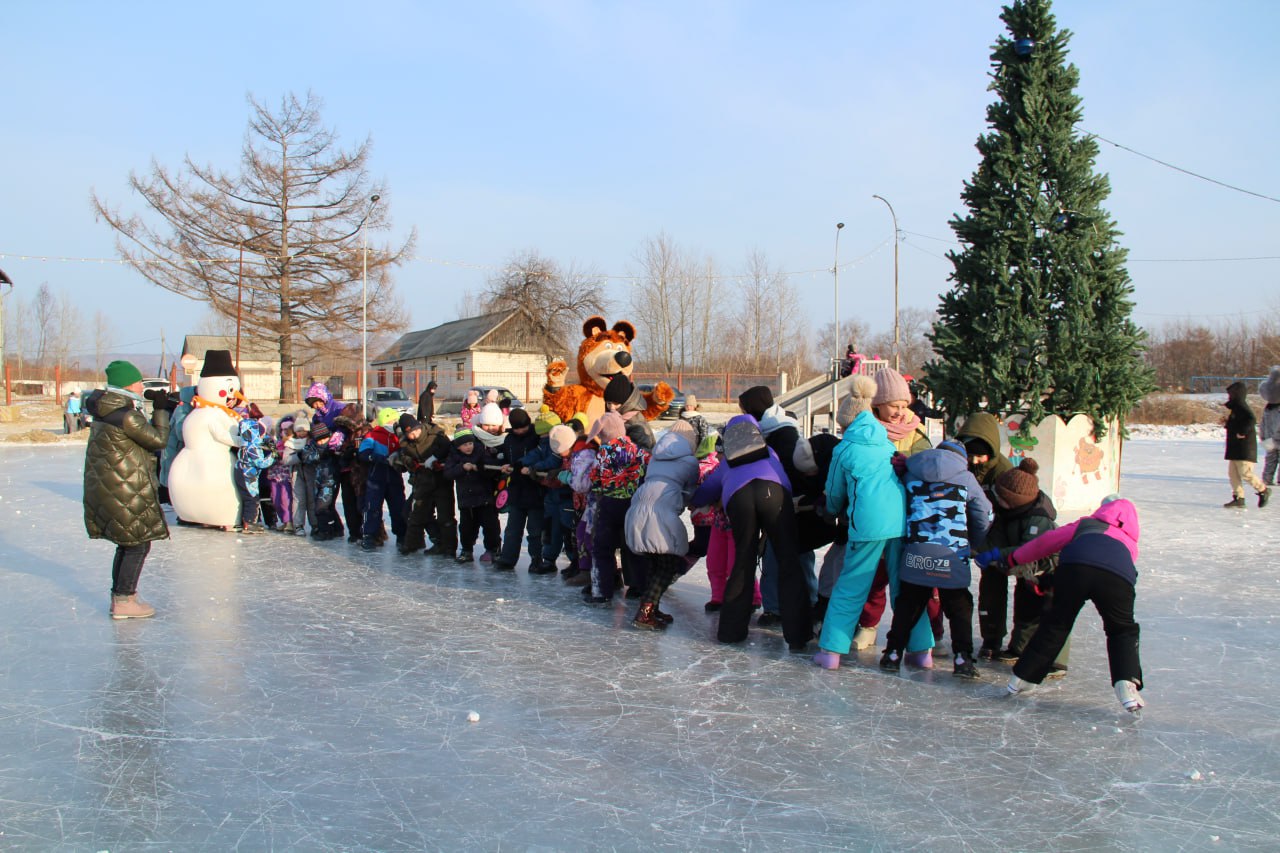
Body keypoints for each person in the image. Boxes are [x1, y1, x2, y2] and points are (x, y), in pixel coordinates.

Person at [1004, 496, 1146, 715]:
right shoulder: (1129, 541)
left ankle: (1022, 678)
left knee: (1057, 623)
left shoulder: (1086, 524)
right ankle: (1126, 684)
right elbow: (1125, 568)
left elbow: (1046, 542)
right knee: (1122, 629)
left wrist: (1014, 558)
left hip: (1074, 568)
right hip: (1116, 577)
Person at [813, 377, 917, 669]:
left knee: (851, 586)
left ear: (847, 424)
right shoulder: (886, 443)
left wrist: (832, 510)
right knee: (905, 587)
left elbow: (834, 493)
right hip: (899, 522)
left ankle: (831, 651)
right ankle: (922, 651)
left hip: (868, 526)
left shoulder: (845, 448)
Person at [691, 414, 811, 650]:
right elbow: (784, 477)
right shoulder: (770, 452)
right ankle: (798, 635)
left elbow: (705, 492)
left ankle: (731, 632)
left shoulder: (729, 461)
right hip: (774, 494)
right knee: (788, 560)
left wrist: (696, 499)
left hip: (740, 498)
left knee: (743, 562)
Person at [878, 440, 991, 678]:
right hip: (951, 554)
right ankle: (962, 658)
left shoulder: (910, 474)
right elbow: (983, 511)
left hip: (917, 551)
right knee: (959, 607)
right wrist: (975, 543)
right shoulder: (966, 478)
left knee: (908, 604)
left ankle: (893, 653)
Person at [852, 367, 935, 658]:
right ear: (877, 405)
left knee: (911, 577)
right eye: (893, 407)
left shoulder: (916, 432)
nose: (900, 413)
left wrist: (908, 463)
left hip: (910, 515)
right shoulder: (865, 430)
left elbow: (931, 465)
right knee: (874, 575)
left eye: (904, 406)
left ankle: (920, 634)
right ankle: (869, 624)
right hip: (875, 513)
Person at [82, 360, 172, 620]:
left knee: (127, 543)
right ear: (127, 384)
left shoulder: (105, 409)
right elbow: (158, 440)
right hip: (126, 488)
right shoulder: (127, 416)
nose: (141, 385)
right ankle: (123, 600)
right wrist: (161, 410)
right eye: (138, 382)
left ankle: (122, 596)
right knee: (137, 544)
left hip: (114, 486)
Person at [624, 421, 700, 629]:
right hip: (662, 511)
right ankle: (645, 612)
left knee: (655, 563)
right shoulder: (690, 462)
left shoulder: (656, 456)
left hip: (640, 506)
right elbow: (691, 491)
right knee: (668, 565)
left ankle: (651, 608)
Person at [587, 412, 648, 603]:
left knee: (602, 548)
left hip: (608, 505)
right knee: (632, 546)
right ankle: (639, 587)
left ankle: (602, 591)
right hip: (632, 504)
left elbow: (594, 479)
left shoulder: (603, 453)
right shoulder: (638, 451)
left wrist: (603, 487)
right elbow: (646, 473)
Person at [398, 412, 457, 556]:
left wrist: (436, 458)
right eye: (409, 434)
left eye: (414, 431)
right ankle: (411, 544)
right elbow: (403, 456)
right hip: (423, 482)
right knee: (417, 514)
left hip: (441, 481)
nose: (413, 435)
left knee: (445, 517)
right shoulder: (406, 444)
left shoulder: (435, 434)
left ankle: (449, 548)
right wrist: (411, 463)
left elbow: (448, 448)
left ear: (418, 427)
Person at [444, 428, 503, 562]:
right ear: (458, 446)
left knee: (491, 525)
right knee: (466, 527)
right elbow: (448, 473)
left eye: (470, 443)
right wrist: (462, 468)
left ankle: (494, 549)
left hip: (484, 498)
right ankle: (467, 550)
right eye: (464, 445)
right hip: (466, 501)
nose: (468, 447)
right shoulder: (454, 456)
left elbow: (492, 467)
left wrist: (480, 468)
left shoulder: (480, 451)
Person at [357, 408, 406, 550]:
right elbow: (363, 453)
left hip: (394, 476)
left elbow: (406, 450)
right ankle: (369, 535)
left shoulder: (399, 436)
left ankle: (402, 535)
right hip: (376, 476)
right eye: (391, 421)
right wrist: (377, 457)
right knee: (372, 507)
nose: (394, 423)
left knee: (398, 507)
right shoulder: (373, 435)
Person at [1223, 380, 1270, 508]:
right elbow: (1237, 423)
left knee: (1245, 473)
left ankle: (1263, 490)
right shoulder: (1236, 408)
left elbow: (1251, 419)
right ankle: (1239, 497)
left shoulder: (1241, 405)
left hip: (1244, 448)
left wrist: (1242, 432)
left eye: (1231, 394)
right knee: (1233, 474)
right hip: (1235, 448)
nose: (1229, 397)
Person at [1261, 366, 1280, 486]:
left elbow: (1263, 423)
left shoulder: (1267, 408)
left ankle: (1267, 479)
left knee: (1270, 459)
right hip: (1275, 437)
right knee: (1271, 458)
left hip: (1269, 437)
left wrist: (1263, 436)